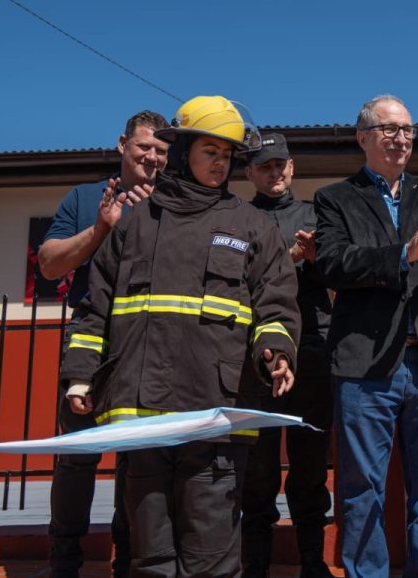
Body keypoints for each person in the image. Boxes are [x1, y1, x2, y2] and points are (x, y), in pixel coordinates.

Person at [60, 95, 301, 577]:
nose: (220, 162)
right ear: (185, 149)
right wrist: (80, 376)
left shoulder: (252, 227)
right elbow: (95, 311)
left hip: (214, 416)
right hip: (142, 418)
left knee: (211, 560)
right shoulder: (134, 227)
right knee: (150, 559)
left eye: (227, 155)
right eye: (210, 151)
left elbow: (274, 305)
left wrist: (275, 353)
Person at [313, 95, 418, 578]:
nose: (401, 138)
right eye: (389, 129)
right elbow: (333, 262)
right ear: (363, 137)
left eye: (407, 129)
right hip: (366, 366)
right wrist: (402, 255)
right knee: (362, 488)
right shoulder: (334, 198)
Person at [38, 110, 168, 578]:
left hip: (149, 345)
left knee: (139, 461)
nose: (152, 157)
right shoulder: (87, 196)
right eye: (144, 147)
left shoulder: (175, 201)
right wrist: (100, 229)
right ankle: (64, 564)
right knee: (76, 457)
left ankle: (127, 563)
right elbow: (50, 266)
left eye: (161, 151)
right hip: (89, 345)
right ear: (122, 145)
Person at [240, 132, 335, 578]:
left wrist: (317, 259)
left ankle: (313, 564)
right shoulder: (238, 219)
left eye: (281, 164)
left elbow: (343, 272)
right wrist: (289, 259)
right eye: (265, 166)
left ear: (292, 167)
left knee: (310, 466)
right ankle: (255, 565)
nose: (275, 173)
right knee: (256, 469)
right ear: (250, 172)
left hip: (313, 351)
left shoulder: (317, 215)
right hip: (254, 357)